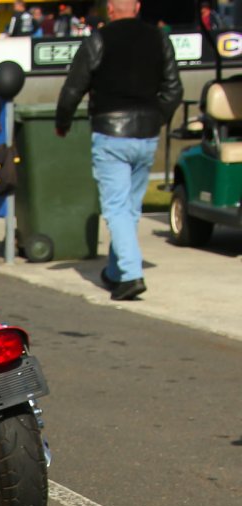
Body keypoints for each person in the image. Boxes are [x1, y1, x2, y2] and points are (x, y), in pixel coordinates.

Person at [55, 0, 183, 301]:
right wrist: (156, 116)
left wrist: (63, 121)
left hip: (111, 132)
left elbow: (74, 86)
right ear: (138, 6)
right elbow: (174, 89)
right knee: (130, 208)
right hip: (147, 132)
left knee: (115, 207)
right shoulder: (159, 38)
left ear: (110, 9)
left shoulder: (99, 40)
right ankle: (115, 271)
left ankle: (130, 274)